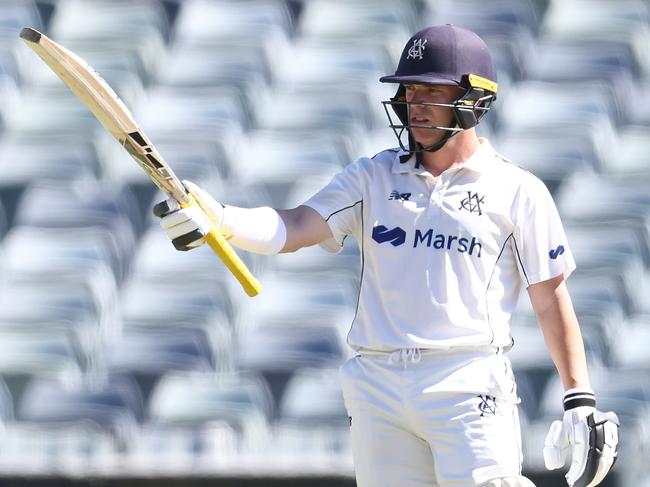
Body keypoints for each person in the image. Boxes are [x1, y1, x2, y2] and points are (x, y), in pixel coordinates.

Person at [154, 24, 619, 487]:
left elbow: (550, 297)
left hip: (467, 381)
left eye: (429, 92)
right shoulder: (372, 176)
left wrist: (579, 396)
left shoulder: (518, 190)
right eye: (409, 92)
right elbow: (295, 227)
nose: (414, 105)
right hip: (376, 382)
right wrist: (222, 218)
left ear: (474, 100)